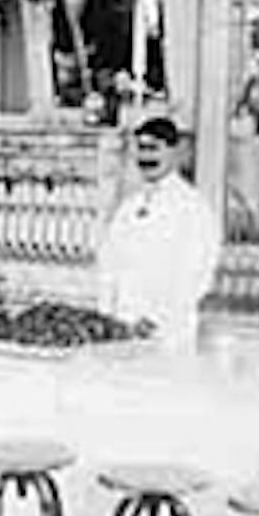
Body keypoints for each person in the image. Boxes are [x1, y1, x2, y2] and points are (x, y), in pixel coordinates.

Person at [94, 115, 222, 354]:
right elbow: (108, 264)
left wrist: (156, 319)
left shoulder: (192, 208)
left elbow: (197, 276)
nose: (146, 157)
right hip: (121, 331)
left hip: (167, 335)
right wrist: (106, 315)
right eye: (141, 149)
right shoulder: (129, 207)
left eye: (153, 149)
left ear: (174, 152)